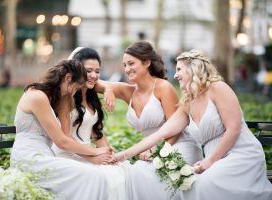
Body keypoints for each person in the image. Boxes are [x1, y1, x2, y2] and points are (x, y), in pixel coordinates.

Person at [114, 49, 272, 200]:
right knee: (187, 185)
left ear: (193, 69)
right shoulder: (187, 103)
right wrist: (123, 155)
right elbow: (160, 134)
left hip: (239, 155)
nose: (175, 75)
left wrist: (209, 162)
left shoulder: (218, 88)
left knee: (201, 184)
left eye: (179, 69)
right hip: (213, 161)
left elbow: (234, 129)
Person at [97, 41, 203, 200]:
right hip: (149, 149)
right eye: (124, 65)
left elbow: (176, 128)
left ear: (146, 62)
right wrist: (108, 89)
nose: (127, 69)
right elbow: (92, 83)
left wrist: (158, 150)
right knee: (136, 171)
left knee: (144, 172)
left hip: (176, 144)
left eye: (131, 63)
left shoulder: (163, 88)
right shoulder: (129, 91)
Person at [10, 59, 112, 200]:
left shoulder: (49, 97)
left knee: (95, 175)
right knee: (93, 176)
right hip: (29, 159)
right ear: (68, 78)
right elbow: (62, 142)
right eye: (76, 87)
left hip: (45, 156)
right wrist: (96, 151)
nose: (75, 92)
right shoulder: (37, 96)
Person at [52, 47, 130, 200]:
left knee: (121, 169)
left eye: (97, 71)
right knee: (103, 176)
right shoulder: (67, 98)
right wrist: (93, 157)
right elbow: (65, 138)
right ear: (76, 69)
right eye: (88, 71)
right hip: (69, 154)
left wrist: (108, 152)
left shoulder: (91, 96)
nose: (94, 75)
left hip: (89, 153)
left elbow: (96, 133)